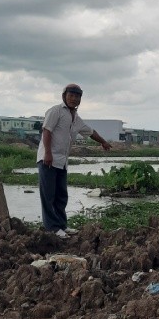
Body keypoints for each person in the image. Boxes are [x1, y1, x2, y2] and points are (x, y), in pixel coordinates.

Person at [37, 83, 111, 239]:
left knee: (61, 195)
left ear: (80, 100)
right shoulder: (55, 111)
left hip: (62, 162)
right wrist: (48, 153)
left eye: (77, 97)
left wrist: (103, 142)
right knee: (48, 195)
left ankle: (62, 225)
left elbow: (90, 132)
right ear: (64, 96)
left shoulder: (76, 119)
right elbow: (47, 131)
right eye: (71, 95)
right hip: (48, 159)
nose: (74, 99)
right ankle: (52, 228)